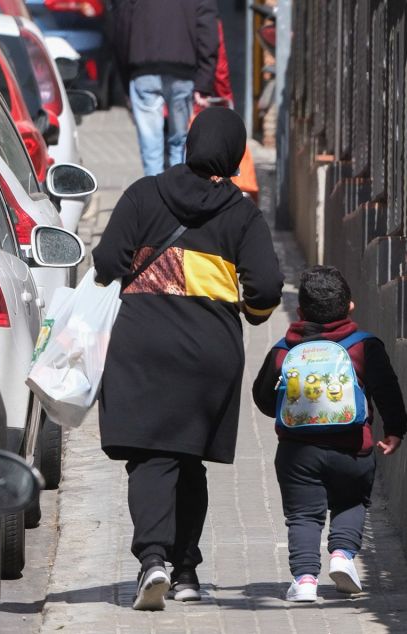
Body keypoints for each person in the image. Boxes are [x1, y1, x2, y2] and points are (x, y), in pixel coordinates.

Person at [92, 108, 283, 611]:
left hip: (141, 347)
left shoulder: (142, 193)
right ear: (236, 154)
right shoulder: (242, 213)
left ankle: (152, 560)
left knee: (151, 456)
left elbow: (108, 261)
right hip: (209, 353)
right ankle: (185, 572)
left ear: (189, 144)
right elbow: (265, 289)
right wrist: (253, 312)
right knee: (187, 457)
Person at [251, 265, 407, 602]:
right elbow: (387, 390)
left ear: (300, 311)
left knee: (303, 515)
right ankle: (342, 557)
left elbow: (263, 399)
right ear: (350, 306)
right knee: (351, 501)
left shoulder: (283, 350)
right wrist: (395, 430)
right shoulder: (364, 347)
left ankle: (305, 580)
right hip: (354, 449)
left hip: (297, 453)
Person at [113, 0, 219, 176]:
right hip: (182, 69)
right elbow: (207, 28)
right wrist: (204, 80)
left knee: (150, 145)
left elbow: (122, 26)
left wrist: (126, 76)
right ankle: (179, 193)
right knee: (180, 141)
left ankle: (155, 197)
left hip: (143, 67)